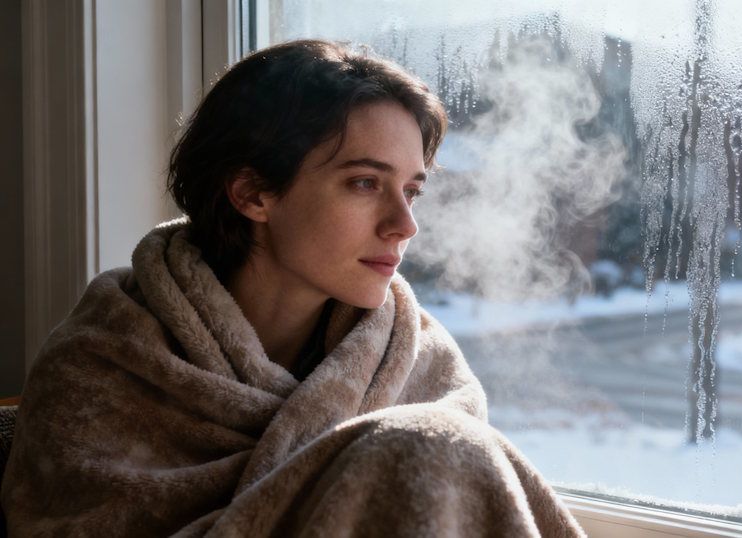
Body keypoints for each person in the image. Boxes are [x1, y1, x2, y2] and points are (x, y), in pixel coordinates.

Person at [1, 40, 584, 537]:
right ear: (253, 193)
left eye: (412, 191)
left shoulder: (420, 366)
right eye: (364, 182)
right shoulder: (101, 363)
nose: (404, 225)